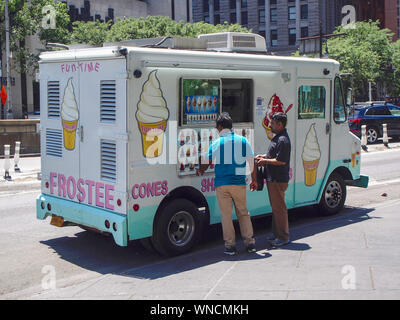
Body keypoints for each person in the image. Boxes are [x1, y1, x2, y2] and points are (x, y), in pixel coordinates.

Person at [197, 112, 258, 255]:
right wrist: (254, 180)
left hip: (222, 184)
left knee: (226, 215)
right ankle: (250, 244)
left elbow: (205, 163)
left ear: (220, 127)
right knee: (243, 213)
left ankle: (230, 246)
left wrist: (200, 169)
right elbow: (252, 161)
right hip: (238, 183)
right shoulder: (243, 141)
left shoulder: (216, 143)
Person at [255, 112, 291, 248]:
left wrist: (265, 161)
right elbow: (274, 155)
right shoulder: (279, 138)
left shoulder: (283, 140)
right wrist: (263, 156)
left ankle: (283, 237)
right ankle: (277, 235)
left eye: (273, 123)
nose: (270, 125)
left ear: (280, 124)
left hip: (278, 179)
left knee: (279, 209)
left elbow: (280, 161)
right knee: (276, 208)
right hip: (273, 178)